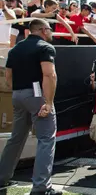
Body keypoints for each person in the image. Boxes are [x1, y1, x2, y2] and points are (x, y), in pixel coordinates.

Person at [0, 19, 61, 195]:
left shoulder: (15, 49)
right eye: (49, 30)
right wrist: (48, 102)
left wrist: (19, 92)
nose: (51, 33)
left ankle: (2, 177)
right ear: (42, 30)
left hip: (17, 95)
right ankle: (42, 187)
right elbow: (49, 75)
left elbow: (8, 75)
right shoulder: (45, 47)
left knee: (16, 138)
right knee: (46, 138)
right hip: (36, 96)